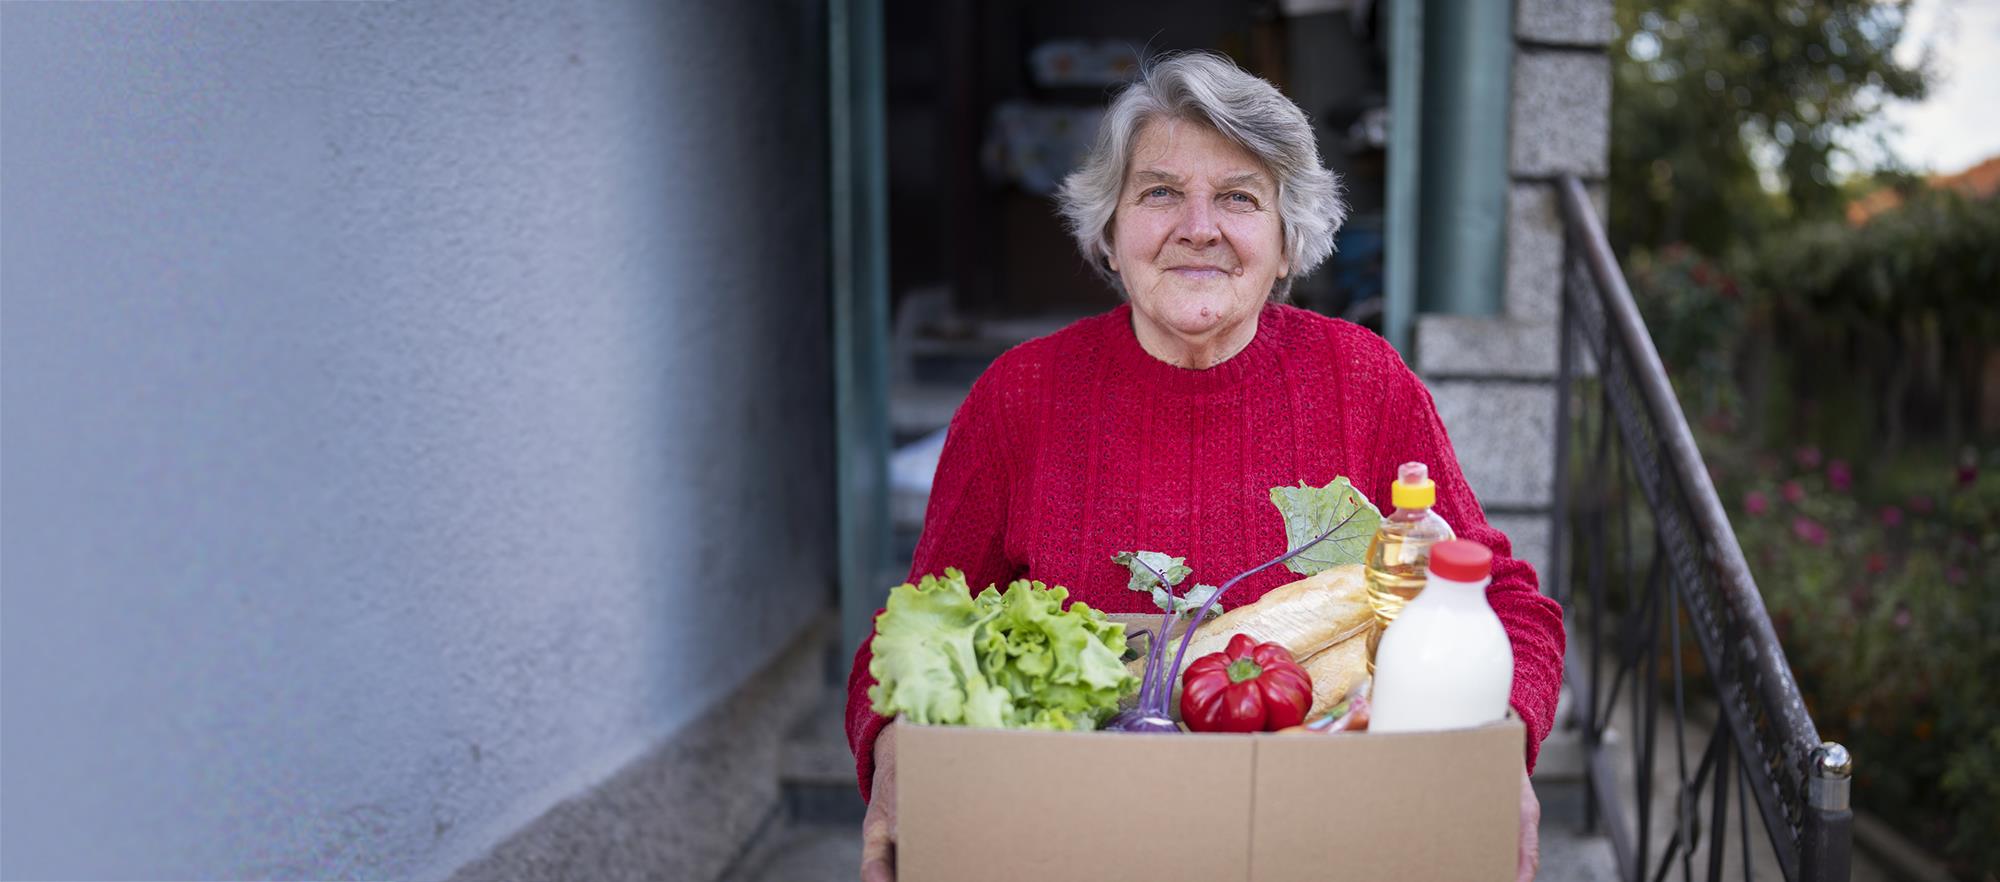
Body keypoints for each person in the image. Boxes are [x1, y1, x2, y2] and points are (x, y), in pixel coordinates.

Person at [849, 52, 1564, 882]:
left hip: (1324, 845)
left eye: (1239, 197)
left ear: (1288, 241)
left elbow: (1509, 602)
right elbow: (911, 636)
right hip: (1076, 846)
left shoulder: (1364, 382)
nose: (1198, 226)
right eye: (1159, 192)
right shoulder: (1020, 396)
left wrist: (1501, 747)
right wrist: (896, 748)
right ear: (1110, 233)